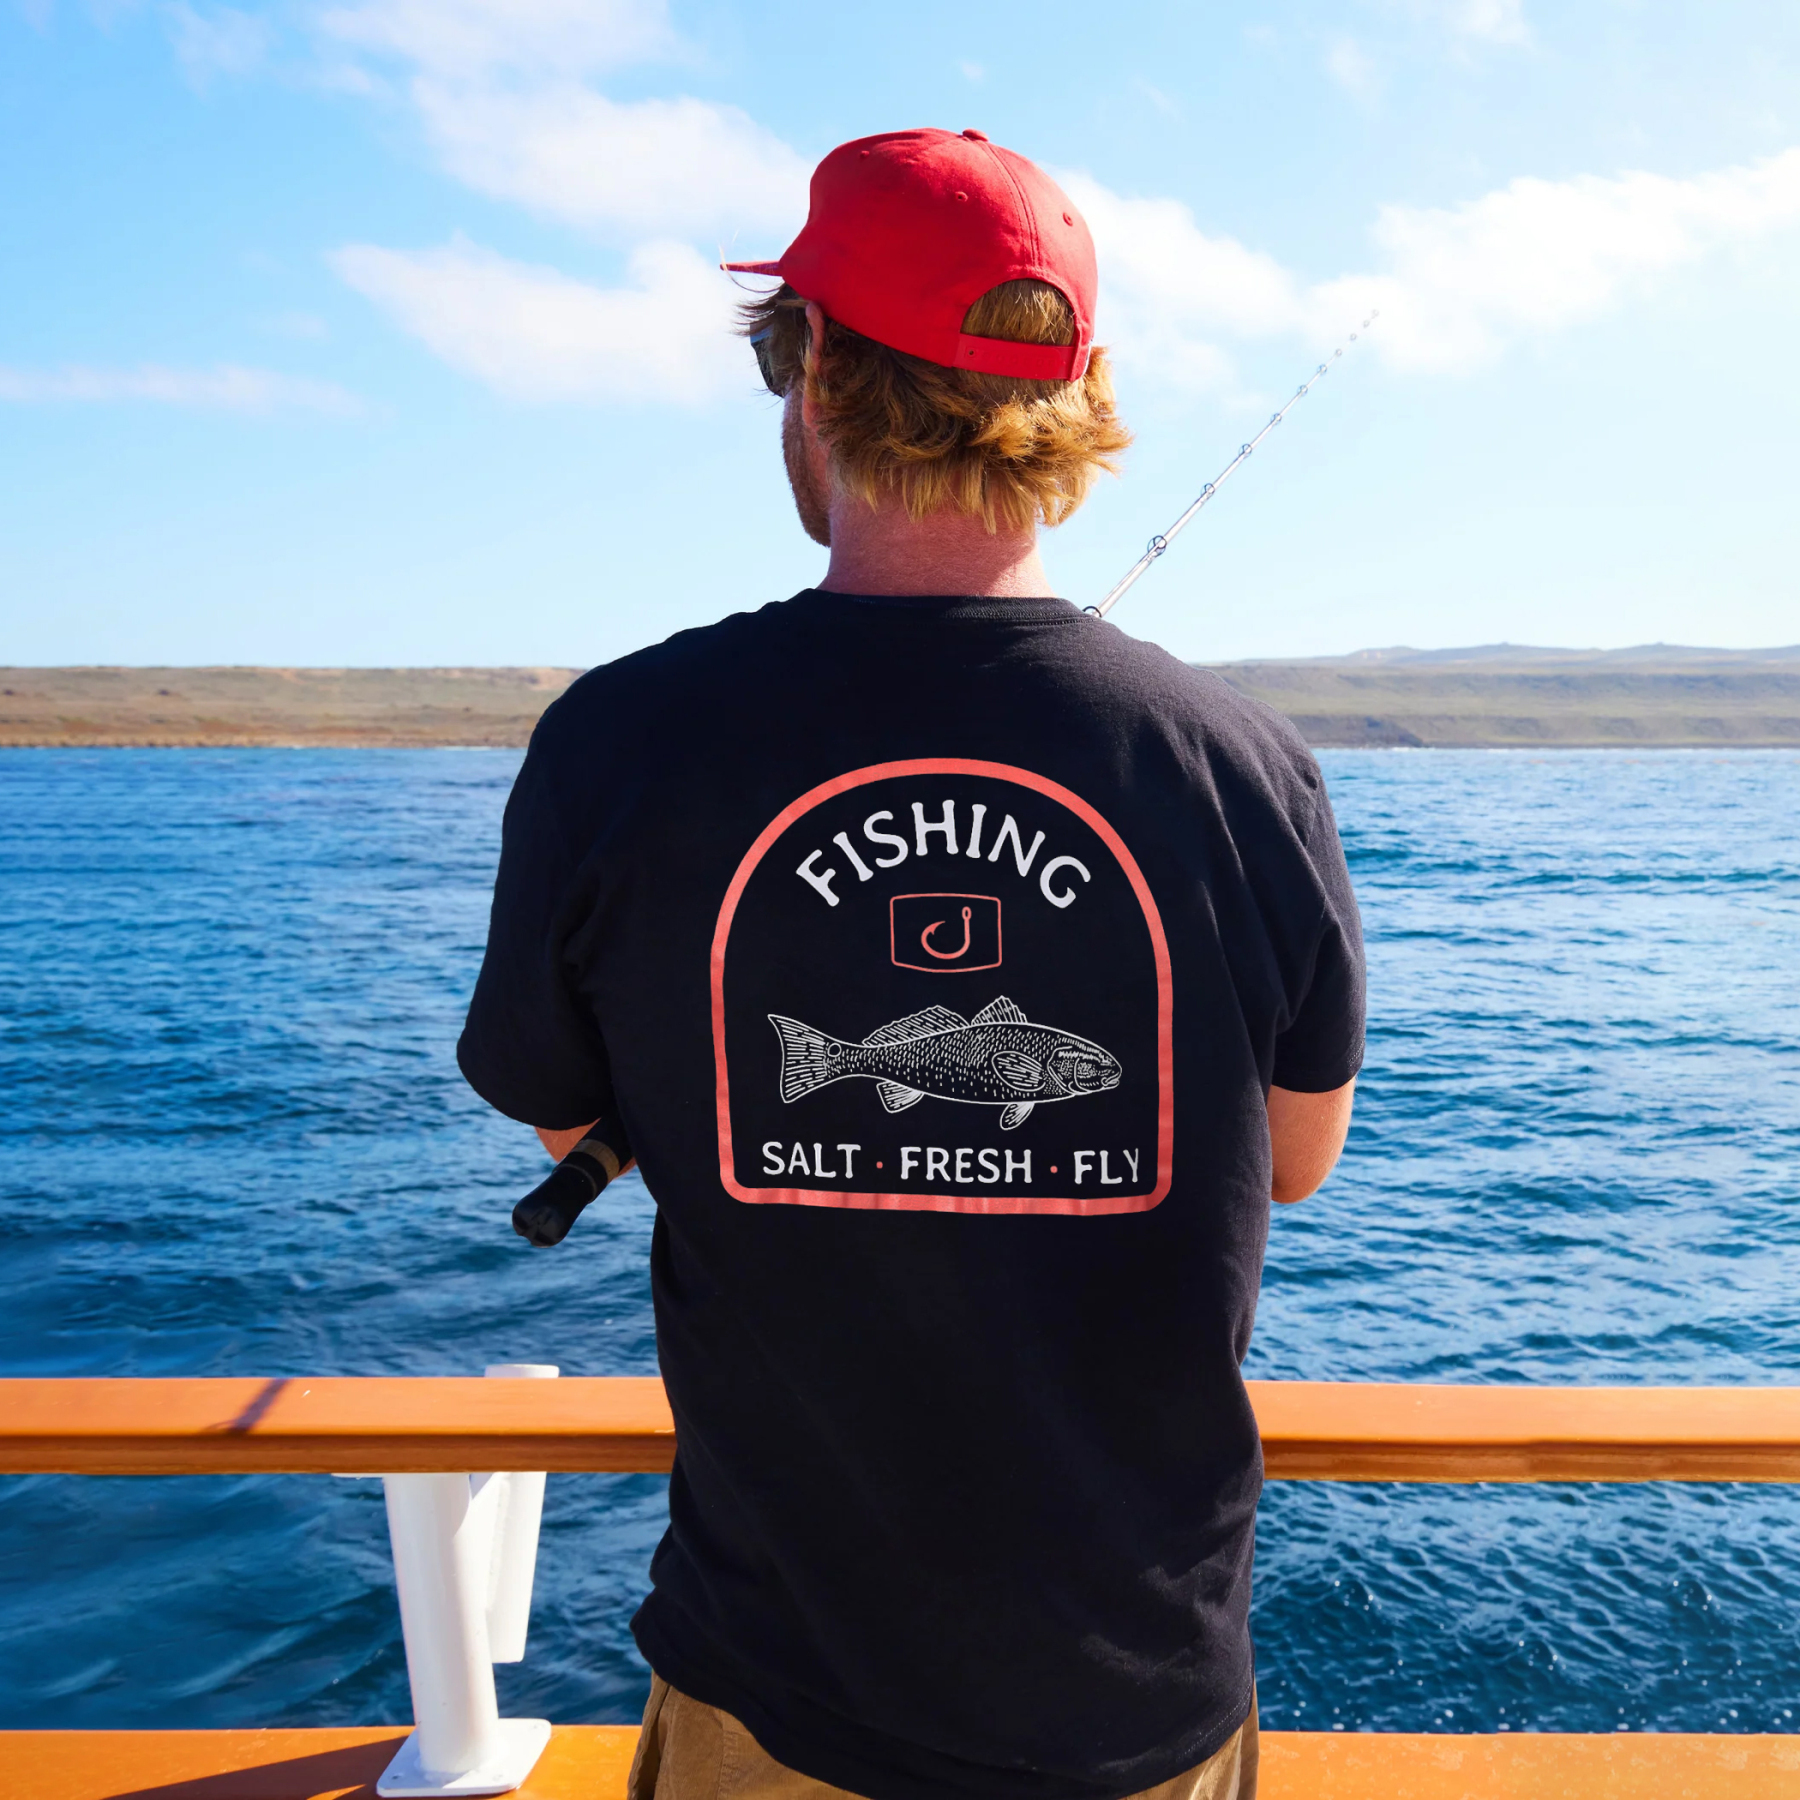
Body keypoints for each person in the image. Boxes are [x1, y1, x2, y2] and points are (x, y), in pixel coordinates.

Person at [458, 127, 1363, 1800]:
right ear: (1078, 394)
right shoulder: (1246, 767)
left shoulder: (621, 742)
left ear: (811, 365)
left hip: (777, 1694)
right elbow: (1295, 1161)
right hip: (1139, 1697)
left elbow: (557, 1111)